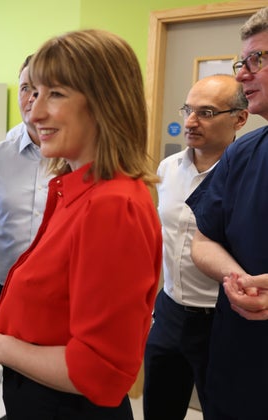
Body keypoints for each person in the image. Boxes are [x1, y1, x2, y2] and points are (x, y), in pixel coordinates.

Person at [0, 29, 162, 419]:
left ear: (105, 102)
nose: (33, 113)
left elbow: (101, 371)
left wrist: (2, 348)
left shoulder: (111, 206)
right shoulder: (74, 188)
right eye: (34, 93)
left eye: (56, 94)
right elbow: (59, 307)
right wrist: (4, 327)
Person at [143, 75, 248, 420]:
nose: (190, 121)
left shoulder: (250, 174)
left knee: (223, 410)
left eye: (205, 112)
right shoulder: (168, 169)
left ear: (239, 118)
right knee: (159, 408)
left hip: (223, 319)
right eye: (188, 109)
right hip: (170, 312)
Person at [186, 7, 268, 419]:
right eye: (243, 62)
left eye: (258, 60)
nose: (242, 75)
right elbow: (204, 239)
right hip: (240, 358)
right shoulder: (243, 152)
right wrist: (239, 280)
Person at [0, 54, 52, 319]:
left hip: (63, 298)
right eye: (25, 88)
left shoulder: (81, 157)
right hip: (7, 293)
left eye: (41, 89)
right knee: (10, 362)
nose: (32, 98)